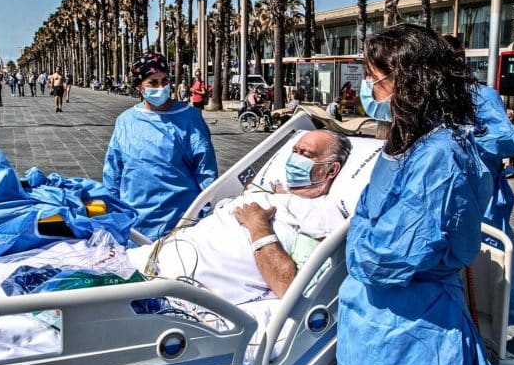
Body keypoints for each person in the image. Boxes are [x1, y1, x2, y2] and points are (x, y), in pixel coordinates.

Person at [337, 23, 514, 365]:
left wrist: (358, 236)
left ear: (407, 79)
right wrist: (365, 228)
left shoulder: (440, 156)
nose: (368, 87)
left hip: (414, 337)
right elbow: (371, 211)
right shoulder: (406, 142)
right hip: (369, 332)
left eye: (374, 77)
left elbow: (387, 258)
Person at [128, 129, 350, 302]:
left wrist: (258, 226)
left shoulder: (321, 212)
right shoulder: (271, 192)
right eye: (295, 151)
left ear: (331, 170)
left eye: (306, 154)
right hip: (153, 259)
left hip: (178, 287)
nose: (295, 158)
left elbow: (290, 288)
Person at [442, 33, 514, 328]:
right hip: (448, 195)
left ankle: (491, 334)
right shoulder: (430, 99)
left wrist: (467, 135)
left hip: (483, 198)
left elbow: (507, 140)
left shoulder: (482, 97)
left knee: (487, 272)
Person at [103, 52, 218, 241]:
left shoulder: (189, 118)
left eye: (164, 80)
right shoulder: (126, 121)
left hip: (180, 225)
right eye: (153, 83)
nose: (161, 87)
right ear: (139, 87)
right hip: (135, 225)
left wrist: (204, 214)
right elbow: (113, 171)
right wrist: (114, 213)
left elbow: (206, 171)